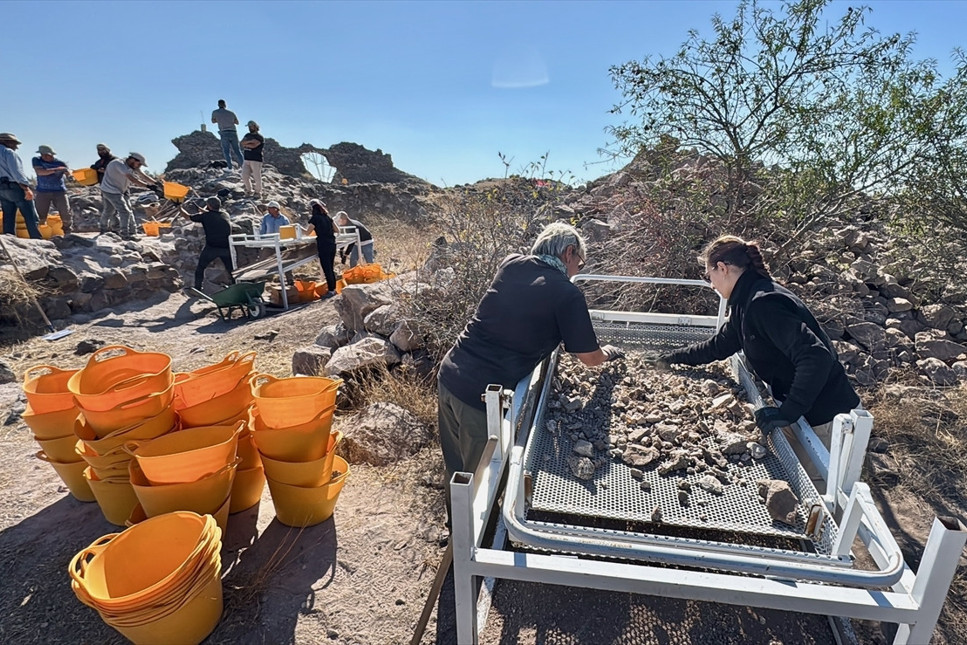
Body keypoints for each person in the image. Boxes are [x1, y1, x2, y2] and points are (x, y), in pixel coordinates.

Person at [437, 222, 624, 512]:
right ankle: (463, 546)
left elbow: (521, 312)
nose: (577, 271)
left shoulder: (511, 264)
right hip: (479, 398)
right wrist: (610, 353)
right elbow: (589, 358)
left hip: (449, 373)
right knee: (480, 478)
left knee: (456, 467)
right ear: (568, 253)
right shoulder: (566, 294)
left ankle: (453, 524)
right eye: (579, 263)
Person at [655, 235, 860, 448]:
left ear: (722, 268)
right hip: (806, 412)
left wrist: (788, 412)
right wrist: (670, 358)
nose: (711, 285)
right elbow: (719, 346)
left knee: (818, 481)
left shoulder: (763, 303)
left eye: (709, 276)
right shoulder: (745, 301)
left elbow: (816, 356)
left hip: (828, 419)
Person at [180, 196, 234, 293]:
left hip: (212, 248)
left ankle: (197, 289)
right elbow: (213, 215)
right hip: (226, 248)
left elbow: (187, 217)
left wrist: (178, 207)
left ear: (208, 206)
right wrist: (202, 210)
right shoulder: (225, 214)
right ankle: (235, 286)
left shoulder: (205, 217)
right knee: (231, 269)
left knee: (200, 268)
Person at [99, 152, 160, 239]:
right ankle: (125, 234)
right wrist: (148, 186)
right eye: (138, 164)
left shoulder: (131, 166)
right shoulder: (119, 164)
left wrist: (157, 184)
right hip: (111, 190)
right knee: (125, 211)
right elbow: (132, 178)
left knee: (109, 211)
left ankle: (103, 229)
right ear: (132, 160)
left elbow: (143, 175)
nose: (139, 166)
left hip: (119, 190)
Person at [0, 133, 42, 239]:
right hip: (15, 187)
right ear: (6, 142)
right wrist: (26, 188)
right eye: (14, 143)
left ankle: (10, 241)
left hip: (2, 188)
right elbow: (17, 172)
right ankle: (37, 239)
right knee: (30, 216)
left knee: (8, 217)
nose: (16, 147)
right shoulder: (9, 153)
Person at [32, 145, 72, 233]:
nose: (44, 157)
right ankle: (41, 232)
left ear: (52, 155)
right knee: (40, 214)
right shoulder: (37, 160)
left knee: (65, 212)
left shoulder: (60, 163)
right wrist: (56, 170)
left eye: (47, 155)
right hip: (42, 191)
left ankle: (67, 231)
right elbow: (40, 172)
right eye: (43, 155)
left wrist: (69, 175)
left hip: (59, 191)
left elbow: (68, 172)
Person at [303, 199, 338, 298]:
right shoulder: (327, 217)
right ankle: (333, 289)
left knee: (327, 269)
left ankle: (331, 291)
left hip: (323, 245)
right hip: (332, 244)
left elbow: (307, 232)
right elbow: (337, 229)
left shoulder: (315, 218)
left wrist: (298, 227)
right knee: (330, 268)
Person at [211, 99, 244, 170]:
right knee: (237, 151)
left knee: (226, 151)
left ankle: (230, 167)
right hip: (233, 131)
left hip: (224, 132)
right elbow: (237, 122)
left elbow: (213, 121)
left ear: (218, 105)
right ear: (225, 105)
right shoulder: (231, 113)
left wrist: (220, 120)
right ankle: (244, 166)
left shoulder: (215, 112)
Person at [240, 120, 264, 198]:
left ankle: (258, 192)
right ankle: (248, 190)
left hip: (256, 159)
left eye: (251, 126)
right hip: (247, 159)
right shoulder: (247, 135)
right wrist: (250, 142)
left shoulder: (259, 137)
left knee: (257, 176)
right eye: (249, 126)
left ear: (255, 126)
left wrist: (247, 143)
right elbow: (242, 143)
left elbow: (254, 145)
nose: (250, 128)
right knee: (244, 175)